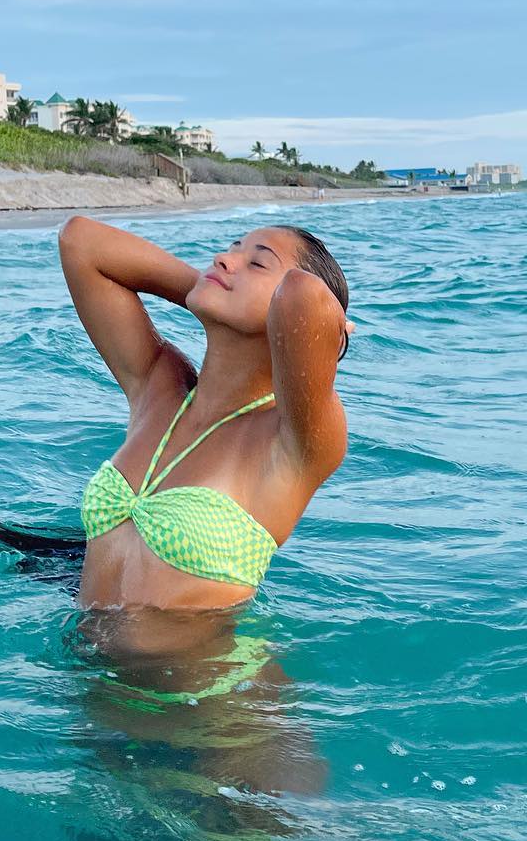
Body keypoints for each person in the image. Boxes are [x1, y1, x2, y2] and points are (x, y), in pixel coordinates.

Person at [58, 217, 353, 624]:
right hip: (77, 660)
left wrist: (324, 334)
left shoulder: (290, 444)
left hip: (211, 668)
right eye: (232, 249)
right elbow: (81, 241)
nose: (223, 259)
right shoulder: (158, 388)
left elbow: (304, 295)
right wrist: (209, 290)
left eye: (258, 263)